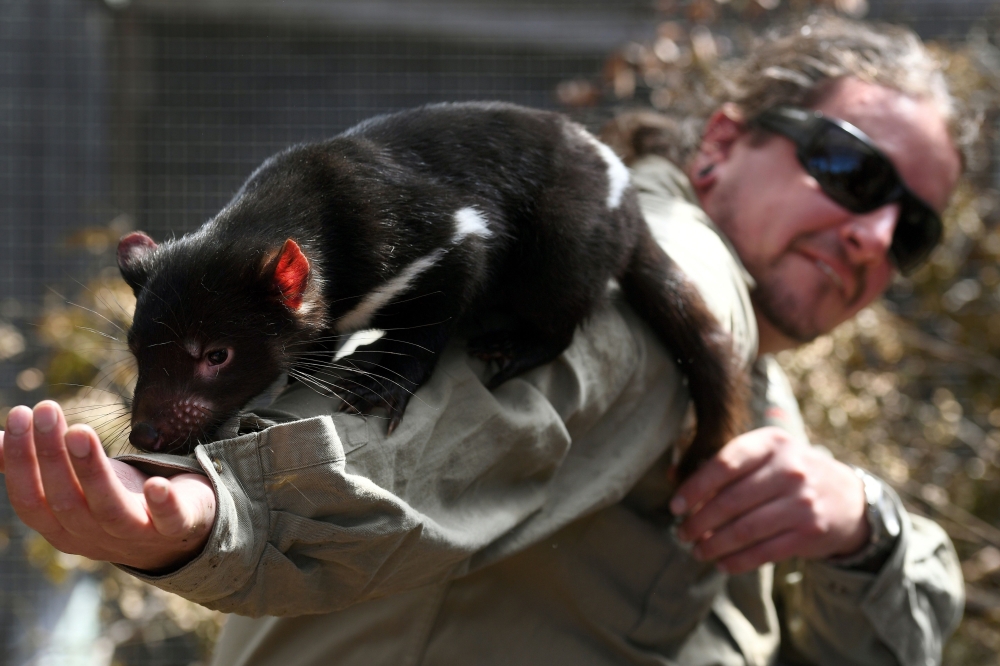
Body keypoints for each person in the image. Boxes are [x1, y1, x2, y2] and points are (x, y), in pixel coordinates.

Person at [0, 14, 971, 666]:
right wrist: (217, 509)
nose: (873, 234)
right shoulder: (685, 281)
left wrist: (865, 531)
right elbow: (499, 413)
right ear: (720, 143)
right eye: (848, 169)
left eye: (913, 230)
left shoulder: (748, 375)